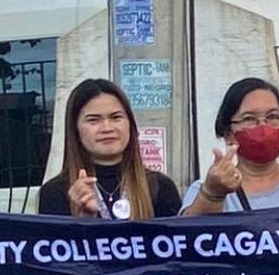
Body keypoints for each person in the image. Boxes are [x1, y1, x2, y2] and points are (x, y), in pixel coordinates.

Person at [183, 78, 279, 213]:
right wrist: (212, 196)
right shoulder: (205, 190)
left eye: (273, 116)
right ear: (228, 133)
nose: (263, 126)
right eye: (249, 119)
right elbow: (186, 234)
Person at [37, 78, 182, 218]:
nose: (107, 128)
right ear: (75, 130)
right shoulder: (56, 192)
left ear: (130, 124)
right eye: (93, 120)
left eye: (116, 117)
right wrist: (85, 219)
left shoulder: (160, 186)